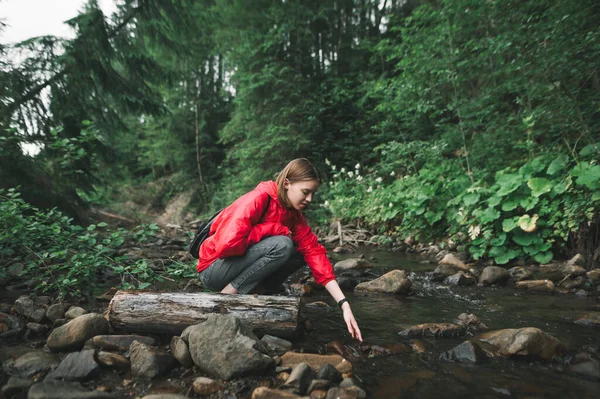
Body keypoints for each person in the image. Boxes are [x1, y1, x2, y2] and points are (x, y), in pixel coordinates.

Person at [196, 158, 362, 341]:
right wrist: (272, 229)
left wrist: (344, 304)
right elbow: (227, 246)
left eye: (313, 194)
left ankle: (259, 290)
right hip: (213, 270)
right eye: (305, 192)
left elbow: (315, 254)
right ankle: (229, 295)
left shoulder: (294, 216)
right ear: (287, 183)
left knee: (301, 251)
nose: (309, 199)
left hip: (233, 267)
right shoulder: (258, 199)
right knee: (283, 244)